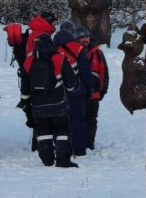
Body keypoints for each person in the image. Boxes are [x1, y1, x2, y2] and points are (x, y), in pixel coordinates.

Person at [21, 33, 78, 167]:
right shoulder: (59, 58)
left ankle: (47, 159)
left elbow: (24, 86)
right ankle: (63, 159)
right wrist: (69, 90)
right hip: (58, 101)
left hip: (37, 104)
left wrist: (25, 102)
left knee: (42, 131)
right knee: (63, 130)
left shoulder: (28, 61)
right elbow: (70, 82)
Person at [54, 22, 93, 158]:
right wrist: (90, 89)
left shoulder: (53, 47)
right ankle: (79, 150)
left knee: (61, 122)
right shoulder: (77, 47)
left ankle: (61, 149)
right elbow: (85, 71)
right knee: (77, 121)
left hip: (58, 91)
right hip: (77, 90)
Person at [76, 26, 109, 151]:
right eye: (82, 37)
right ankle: (79, 142)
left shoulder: (98, 53)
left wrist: (103, 89)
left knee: (91, 120)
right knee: (79, 119)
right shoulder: (74, 52)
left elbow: (104, 72)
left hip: (94, 94)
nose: (85, 40)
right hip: (79, 93)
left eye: (87, 37)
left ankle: (89, 144)